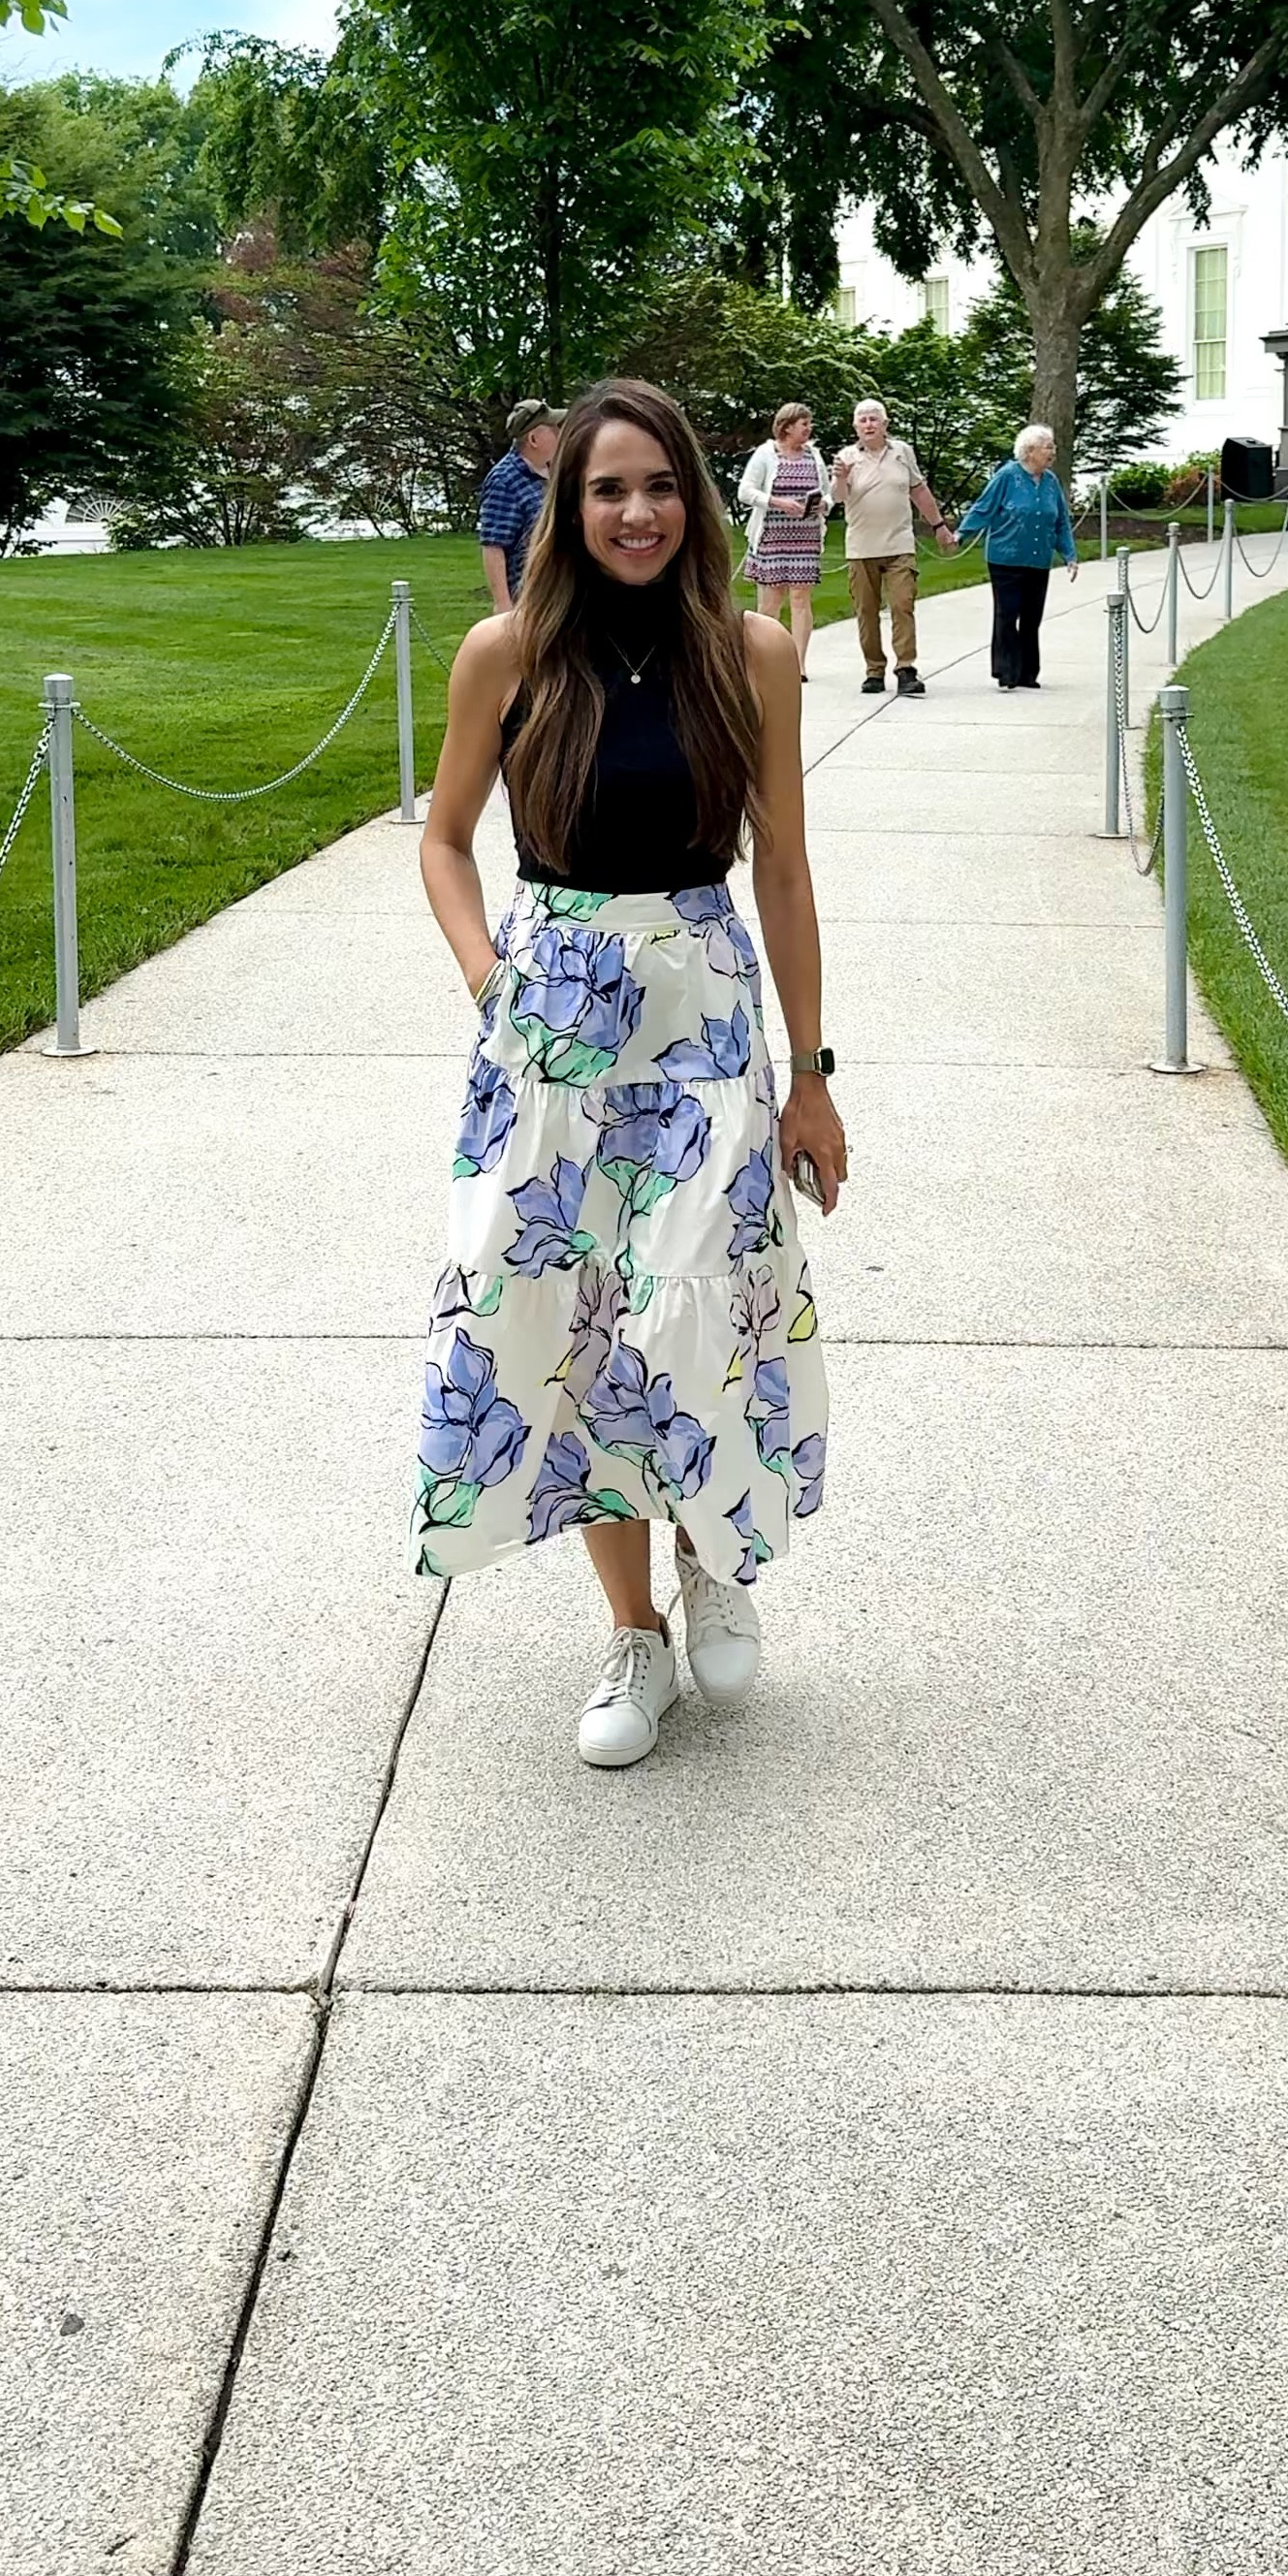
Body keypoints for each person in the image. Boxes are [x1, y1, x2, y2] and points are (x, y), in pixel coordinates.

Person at [416, 378, 847, 1769]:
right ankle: (633, 1632)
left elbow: (784, 872)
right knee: (579, 1321)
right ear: (571, 505)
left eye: (659, 486)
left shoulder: (752, 655)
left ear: (694, 501)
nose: (637, 512)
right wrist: (491, 982)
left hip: (704, 1018)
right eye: (609, 488)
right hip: (552, 1032)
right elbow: (444, 840)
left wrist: (812, 1076)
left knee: (699, 1304)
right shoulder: (506, 654)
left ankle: (713, 1556)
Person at [831, 398, 957, 697]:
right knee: (866, 611)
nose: (869, 424)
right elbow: (837, 498)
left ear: (885, 424)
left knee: (902, 604)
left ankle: (906, 668)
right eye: (863, 420)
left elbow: (919, 490)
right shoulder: (846, 457)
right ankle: (874, 670)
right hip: (861, 548)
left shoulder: (902, 452)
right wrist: (841, 478)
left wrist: (939, 526)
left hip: (900, 544)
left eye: (874, 419)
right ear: (855, 426)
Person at [960, 424, 1079, 688]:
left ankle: (1027, 674)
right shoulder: (1007, 476)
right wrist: (961, 534)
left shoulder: (1051, 482)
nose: (1053, 452)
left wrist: (1069, 555)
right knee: (1007, 614)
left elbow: (1061, 521)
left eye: (1052, 447)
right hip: (1005, 559)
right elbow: (983, 508)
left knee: (1032, 617)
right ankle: (1006, 671)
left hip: (1038, 560)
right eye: (1048, 447)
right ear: (1030, 451)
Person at [738, 400, 832, 673]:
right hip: (772, 538)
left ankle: (798, 665)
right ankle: (766, 662)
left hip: (806, 537)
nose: (809, 428)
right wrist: (777, 502)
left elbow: (828, 493)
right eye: (804, 424)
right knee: (770, 602)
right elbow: (745, 492)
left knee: (801, 598)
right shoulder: (766, 454)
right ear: (787, 427)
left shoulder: (814, 455)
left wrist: (823, 504)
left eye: (809, 424)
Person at [477, 398, 561, 611]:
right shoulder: (504, 480)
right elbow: (494, 545)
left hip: (557, 594)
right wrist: (503, 605)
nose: (560, 433)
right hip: (528, 601)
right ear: (533, 439)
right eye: (553, 429)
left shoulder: (551, 471)